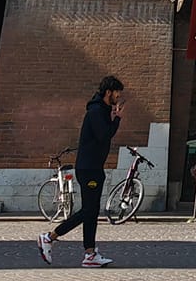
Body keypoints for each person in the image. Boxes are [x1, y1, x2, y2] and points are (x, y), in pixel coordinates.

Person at [38, 74, 123, 267]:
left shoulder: (101, 110)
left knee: (91, 212)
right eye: (117, 93)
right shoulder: (95, 112)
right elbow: (104, 136)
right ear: (108, 92)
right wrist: (116, 119)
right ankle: (49, 237)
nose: (118, 97)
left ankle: (90, 254)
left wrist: (111, 118)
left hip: (94, 168)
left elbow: (102, 135)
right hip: (89, 168)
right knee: (88, 210)